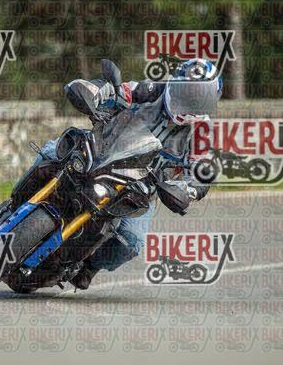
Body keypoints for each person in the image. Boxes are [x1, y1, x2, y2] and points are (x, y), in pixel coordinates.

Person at [32, 58, 223, 290]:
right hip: (103, 151)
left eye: (198, 99)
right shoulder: (151, 90)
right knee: (53, 151)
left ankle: (89, 266)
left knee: (132, 241)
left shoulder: (203, 133)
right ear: (175, 82)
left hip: (141, 188)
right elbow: (117, 91)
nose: (189, 101)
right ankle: (23, 197)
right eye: (187, 92)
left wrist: (186, 190)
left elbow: (202, 173)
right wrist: (93, 91)